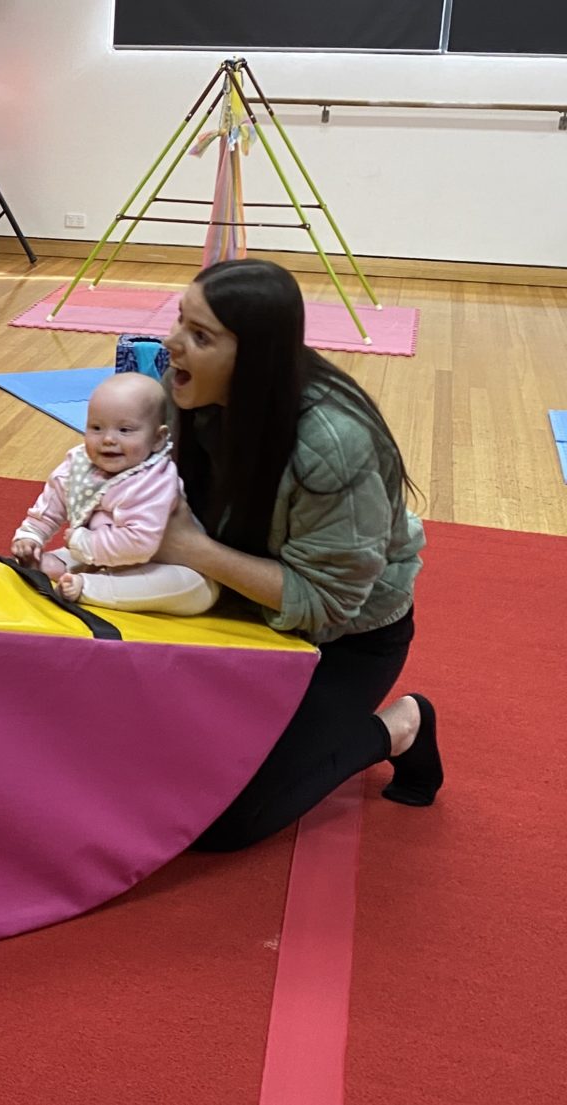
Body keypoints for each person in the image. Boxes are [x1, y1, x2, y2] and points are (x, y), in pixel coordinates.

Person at [152, 258, 443, 851]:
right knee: (136, 763)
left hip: (345, 639)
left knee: (223, 818)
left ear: (254, 358)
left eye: (200, 335)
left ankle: (400, 726)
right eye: (180, 320)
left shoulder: (333, 441)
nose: (172, 342)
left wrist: (194, 549)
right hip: (232, 608)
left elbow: (330, 601)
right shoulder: (186, 387)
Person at [11, 372, 219, 615]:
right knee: (71, 553)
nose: (108, 439)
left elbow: (139, 542)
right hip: (103, 553)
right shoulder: (79, 464)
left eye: (125, 430)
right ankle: (54, 565)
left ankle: (88, 587)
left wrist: (82, 542)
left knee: (196, 589)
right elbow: (52, 503)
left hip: (160, 561)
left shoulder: (155, 479)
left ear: (157, 439)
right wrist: (31, 535)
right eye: (96, 428)